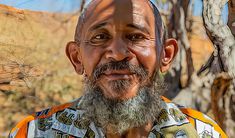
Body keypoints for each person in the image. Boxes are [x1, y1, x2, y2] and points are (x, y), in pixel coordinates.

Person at [9, 0, 227, 137]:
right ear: (77, 58)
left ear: (166, 55)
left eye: (136, 36)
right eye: (100, 37)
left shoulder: (204, 134)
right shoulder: (34, 132)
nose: (118, 52)